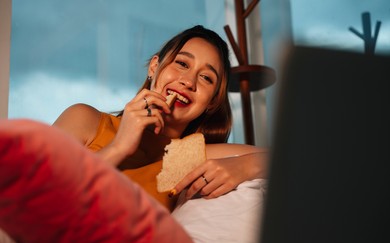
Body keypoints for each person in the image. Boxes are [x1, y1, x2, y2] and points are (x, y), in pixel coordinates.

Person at [53, 25, 268, 212]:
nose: (188, 81)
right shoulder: (85, 119)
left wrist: (245, 166)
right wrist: (120, 146)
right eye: (182, 64)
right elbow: (33, 196)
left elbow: (288, 159)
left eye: (206, 78)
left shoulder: (190, 155)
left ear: (212, 101)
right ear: (154, 67)